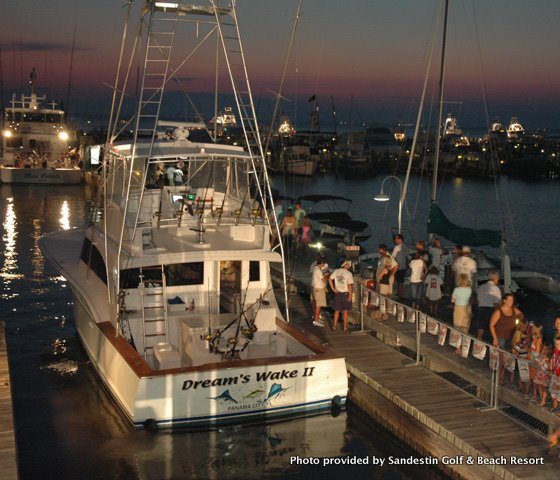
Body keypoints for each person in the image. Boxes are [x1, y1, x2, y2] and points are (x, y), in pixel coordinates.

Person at [489, 293, 524, 384]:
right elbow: (491, 325)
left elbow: (521, 315)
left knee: (506, 358)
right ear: (504, 300)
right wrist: (494, 338)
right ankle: (499, 377)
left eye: (512, 300)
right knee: (501, 359)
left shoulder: (514, 310)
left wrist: (519, 325)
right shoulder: (498, 312)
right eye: (509, 300)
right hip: (500, 337)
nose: (511, 302)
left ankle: (502, 376)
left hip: (510, 338)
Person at [329, 260, 354, 332]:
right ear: (345, 265)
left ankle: (334, 326)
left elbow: (330, 279)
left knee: (336, 311)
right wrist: (350, 295)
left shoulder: (336, 271)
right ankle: (345, 327)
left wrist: (333, 289)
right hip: (345, 294)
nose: (349, 265)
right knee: (345, 311)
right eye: (348, 264)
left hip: (337, 293)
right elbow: (349, 285)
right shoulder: (349, 274)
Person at [476, 270, 502, 340]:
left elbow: (478, 299)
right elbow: (496, 303)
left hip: (481, 308)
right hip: (491, 309)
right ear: (495, 278)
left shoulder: (481, 287)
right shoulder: (496, 289)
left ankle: (478, 341)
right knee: (492, 327)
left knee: (481, 327)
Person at [451, 274, 472, 351]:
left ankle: (458, 347)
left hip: (458, 309)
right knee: (465, 328)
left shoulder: (457, 290)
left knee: (457, 328)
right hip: (466, 308)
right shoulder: (469, 289)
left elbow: (452, 300)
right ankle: (464, 346)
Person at [311, 257, 329, 327]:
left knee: (318, 305)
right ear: (321, 263)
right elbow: (324, 280)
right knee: (318, 305)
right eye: (323, 263)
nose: (324, 264)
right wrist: (327, 276)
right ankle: (316, 321)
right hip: (319, 289)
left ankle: (317, 318)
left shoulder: (316, 268)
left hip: (316, 289)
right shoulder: (318, 270)